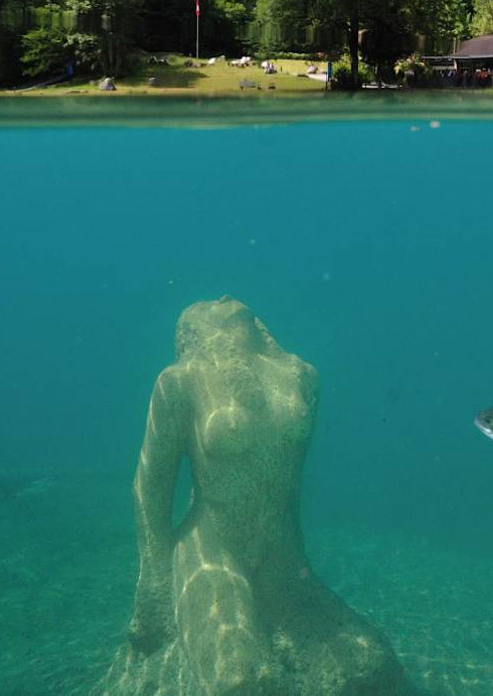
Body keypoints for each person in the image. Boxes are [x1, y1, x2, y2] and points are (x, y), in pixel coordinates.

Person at [104, 298, 405, 696]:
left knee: (371, 666)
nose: (224, 298)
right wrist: (155, 582)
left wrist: (297, 568)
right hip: (212, 549)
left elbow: (289, 487)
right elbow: (149, 484)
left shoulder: (300, 376)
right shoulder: (180, 381)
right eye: (208, 303)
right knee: (240, 679)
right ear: (192, 326)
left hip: (282, 554)